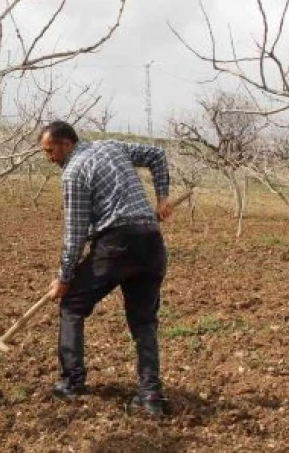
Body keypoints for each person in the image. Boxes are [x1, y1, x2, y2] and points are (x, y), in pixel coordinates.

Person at [39, 120, 173, 418]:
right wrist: (162, 197)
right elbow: (157, 155)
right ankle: (150, 395)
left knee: (72, 304)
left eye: (50, 152)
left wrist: (64, 278)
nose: (49, 159)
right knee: (144, 321)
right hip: (151, 242)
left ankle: (70, 382)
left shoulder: (73, 173)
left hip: (117, 244)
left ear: (66, 144)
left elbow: (74, 233)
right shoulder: (111, 145)